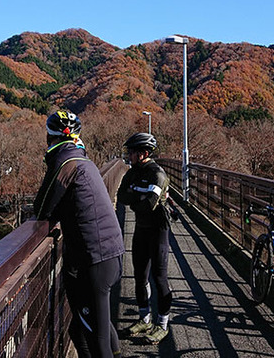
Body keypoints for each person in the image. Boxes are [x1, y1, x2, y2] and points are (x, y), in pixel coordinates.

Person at [33, 110, 125, 358]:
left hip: (93, 260)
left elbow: (42, 208)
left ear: (49, 137)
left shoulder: (65, 163)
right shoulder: (83, 160)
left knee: (96, 339)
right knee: (87, 328)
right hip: (111, 254)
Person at [117, 132, 173, 344]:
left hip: (158, 230)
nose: (129, 155)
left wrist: (136, 195)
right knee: (139, 277)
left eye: (132, 152)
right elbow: (122, 196)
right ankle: (145, 319)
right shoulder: (132, 172)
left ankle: (162, 325)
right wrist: (138, 196)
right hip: (141, 228)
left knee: (159, 278)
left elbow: (147, 204)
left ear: (143, 153)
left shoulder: (157, 174)